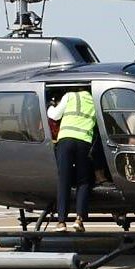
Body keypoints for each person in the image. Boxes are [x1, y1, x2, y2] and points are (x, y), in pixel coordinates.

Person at [47, 87, 96, 230]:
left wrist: (49, 106)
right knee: (84, 181)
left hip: (65, 140)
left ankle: (61, 221)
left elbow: (55, 115)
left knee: (64, 180)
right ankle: (79, 220)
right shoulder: (94, 101)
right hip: (84, 142)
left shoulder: (69, 96)